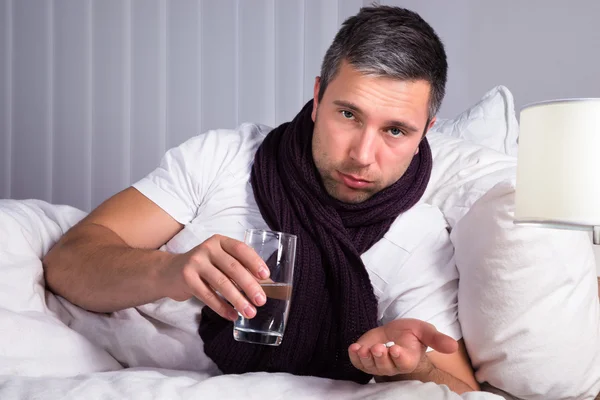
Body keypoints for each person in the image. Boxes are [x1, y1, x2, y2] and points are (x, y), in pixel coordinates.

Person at [43, 5, 479, 393]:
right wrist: (170, 271)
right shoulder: (221, 158)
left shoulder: (421, 237)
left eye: (395, 130)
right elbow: (67, 262)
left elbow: (462, 389)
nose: (362, 156)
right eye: (348, 114)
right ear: (316, 98)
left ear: (428, 129)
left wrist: (412, 366)